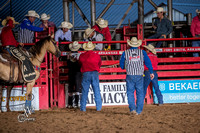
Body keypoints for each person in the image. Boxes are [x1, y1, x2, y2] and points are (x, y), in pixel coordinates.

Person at [120, 37, 154, 115]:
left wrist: (125, 66)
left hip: (130, 75)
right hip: (139, 75)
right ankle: (139, 111)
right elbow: (148, 62)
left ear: (130, 44)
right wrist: (151, 72)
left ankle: (132, 109)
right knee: (140, 93)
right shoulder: (142, 52)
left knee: (130, 92)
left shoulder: (125, 53)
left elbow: (121, 65)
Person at [79, 41, 102, 112]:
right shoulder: (97, 56)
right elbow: (99, 64)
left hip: (86, 73)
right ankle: (98, 108)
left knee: (85, 91)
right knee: (96, 90)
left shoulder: (82, 56)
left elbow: (80, 63)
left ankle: (83, 108)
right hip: (94, 73)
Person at [67, 41, 82, 108]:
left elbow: (68, 64)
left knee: (71, 87)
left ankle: (70, 104)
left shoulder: (68, 55)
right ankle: (77, 103)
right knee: (77, 88)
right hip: (77, 72)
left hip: (71, 72)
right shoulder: (80, 55)